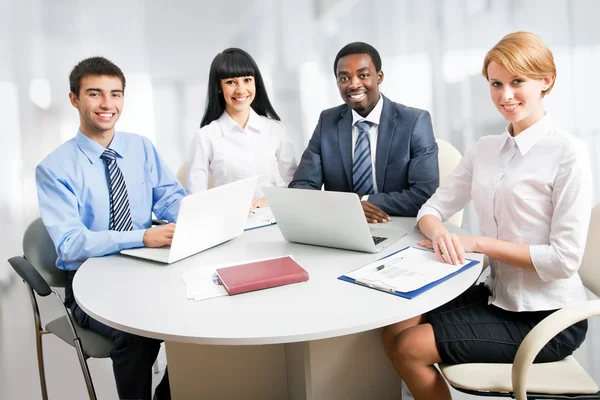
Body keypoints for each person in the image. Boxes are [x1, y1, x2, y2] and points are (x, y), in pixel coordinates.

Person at [381, 32, 591, 400]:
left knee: (409, 346)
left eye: (517, 82)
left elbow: (564, 259)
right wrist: (441, 234)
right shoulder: (486, 149)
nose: (505, 95)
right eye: (496, 84)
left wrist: (476, 242)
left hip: (547, 316)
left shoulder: (568, 153)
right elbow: (431, 209)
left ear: (547, 81)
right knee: (392, 326)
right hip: (496, 295)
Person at [35, 56, 184, 400]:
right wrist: (141, 236)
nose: (107, 104)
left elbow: (170, 198)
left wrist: (193, 217)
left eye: (115, 94)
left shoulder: (140, 147)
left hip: (148, 269)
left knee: (195, 315)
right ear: (74, 99)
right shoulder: (54, 168)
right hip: (90, 283)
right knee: (137, 332)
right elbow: (70, 244)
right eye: (95, 94)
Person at [288, 42, 439, 222]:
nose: (353, 84)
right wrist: (346, 208)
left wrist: (363, 202)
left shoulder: (414, 121)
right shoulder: (327, 122)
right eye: (344, 78)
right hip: (343, 227)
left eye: (363, 75)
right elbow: (301, 186)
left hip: (399, 225)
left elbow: (424, 195)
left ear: (379, 77)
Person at [186, 48, 297, 209]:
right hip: (228, 226)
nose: (241, 90)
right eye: (230, 82)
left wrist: (264, 202)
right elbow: (195, 200)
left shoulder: (276, 129)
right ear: (218, 87)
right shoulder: (205, 137)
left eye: (247, 80)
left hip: (274, 221)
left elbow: (296, 185)